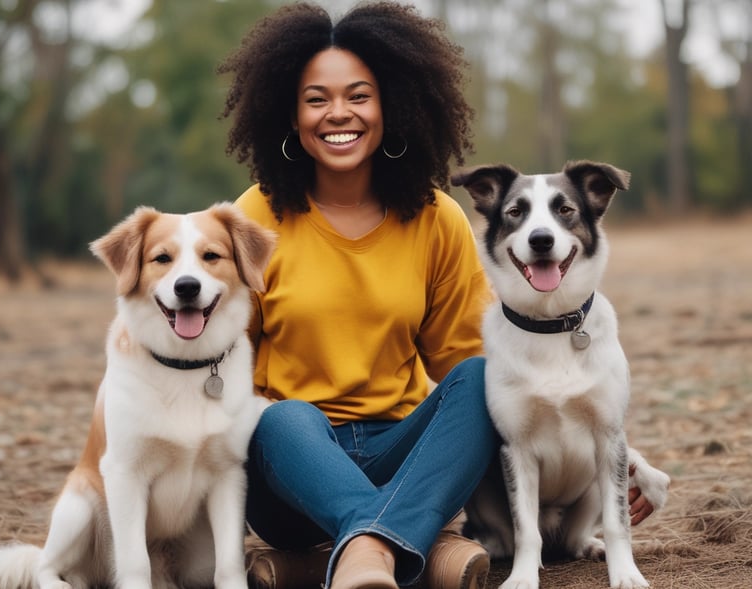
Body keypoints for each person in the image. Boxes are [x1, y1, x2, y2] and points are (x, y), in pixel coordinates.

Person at [218, 3, 661, 589]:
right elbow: (225, 364)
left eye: (359, 96)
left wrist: (614, 448)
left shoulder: (435, 218)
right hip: (291, 471)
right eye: (316, 99)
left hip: (408, 465)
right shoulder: (254, 217)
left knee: (481, 377)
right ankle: (401, 546)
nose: (338, 113)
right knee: (283, 419)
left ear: (394, 105)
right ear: (289, 113)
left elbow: (474, 366)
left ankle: (357, 554)